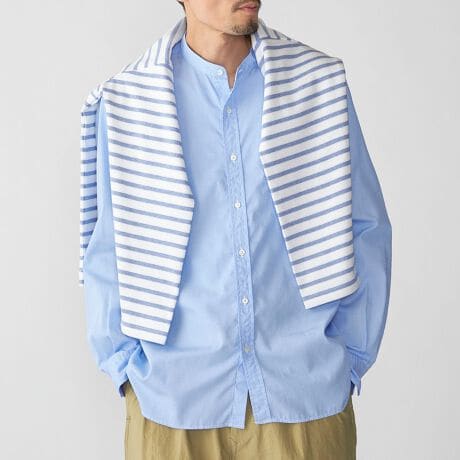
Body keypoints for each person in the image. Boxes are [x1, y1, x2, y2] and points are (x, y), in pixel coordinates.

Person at [79, 1, 392, 458]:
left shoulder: (316, 85)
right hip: (170, 405)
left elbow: (366, 225)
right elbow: (107, 249)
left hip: (303, 397)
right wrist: (125, 367)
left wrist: (350, 357)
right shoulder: (129, 101)